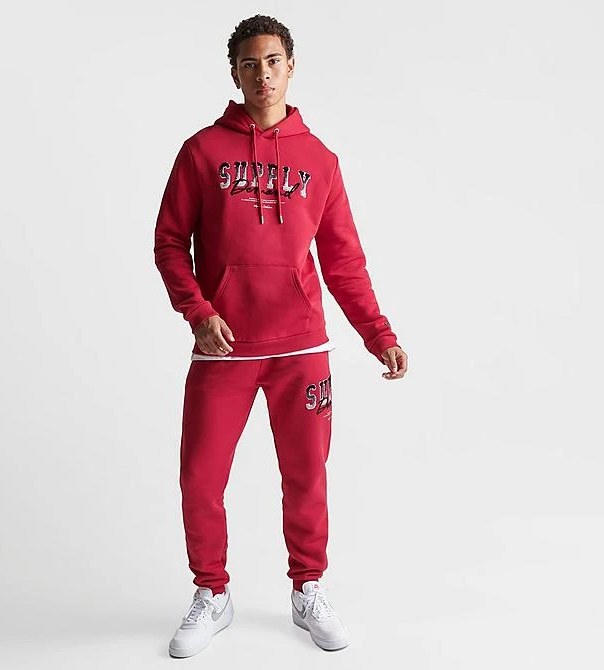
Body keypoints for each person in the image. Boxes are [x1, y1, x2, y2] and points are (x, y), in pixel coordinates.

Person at [154, 14, 408, 658]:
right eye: (249, 64)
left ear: (290, 66)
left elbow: (344, 261)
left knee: (305, 476)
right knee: (199, 477)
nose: (262, 74)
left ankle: (308, 589)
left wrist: (377, 333)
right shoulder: (202, 152)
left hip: (301, 348)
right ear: (234, 73)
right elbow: (169, 243)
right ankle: (211, 592)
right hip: (223, 348)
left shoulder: (320, 161)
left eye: (272, 61)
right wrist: (197, 310)